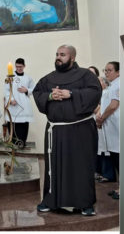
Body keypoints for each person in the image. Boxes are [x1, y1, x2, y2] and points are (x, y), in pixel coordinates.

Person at [33, 45, 102, 216]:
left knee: (81, 167)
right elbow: (37, 93)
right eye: (57, 54)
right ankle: (51, 200)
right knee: (54, 166)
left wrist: (71, 93)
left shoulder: (86, 75)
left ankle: (85, 203)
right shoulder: (48, 79)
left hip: (81, 130)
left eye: (62, 55)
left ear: (72, 58)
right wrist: (50, 96)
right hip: (56, 131)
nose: (58, 57)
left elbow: (94, 92)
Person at [96, 62, 120, 200]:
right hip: (111, 128)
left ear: (118, 72)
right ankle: (120, 187)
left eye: (109, 70)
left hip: (117, 128)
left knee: (120, 160)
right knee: (116, 159)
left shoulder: (118, 84)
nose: (106, 73)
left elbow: (113, 105)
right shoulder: (113, 85)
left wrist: (101, 118)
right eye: (105, 70)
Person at [4, 58, 35, 148]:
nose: (18, 68)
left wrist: (27, 90)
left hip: (24, 106)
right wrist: (11, 99)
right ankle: (13, 144)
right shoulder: (10, 77)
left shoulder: (28, 78)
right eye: (17, 67)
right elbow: (6, 90)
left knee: (23, 125)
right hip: (13, 105)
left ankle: (22, 143)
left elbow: (34, 90)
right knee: (13, 123)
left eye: (20, 67)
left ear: (24, 66)